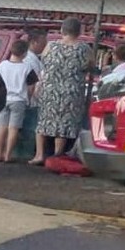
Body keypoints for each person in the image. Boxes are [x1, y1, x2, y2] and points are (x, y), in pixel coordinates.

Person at [29, 18, 94, 165]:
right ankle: (56, 155)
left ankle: (39, 155)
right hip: (71, 91)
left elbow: (44, 61)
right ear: (79, 32)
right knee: (64, 124)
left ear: (62, 30)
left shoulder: (51, 46)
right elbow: (90, 66)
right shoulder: (84, 48)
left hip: (50, 89)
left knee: (44, 121)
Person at [0, 40, 39, 163]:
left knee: (1, 126)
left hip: (3, 98)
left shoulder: (2, 65)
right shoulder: (27, 67)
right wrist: (28, 99)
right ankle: (8, 155)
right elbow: (31, 86)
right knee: (13, 128)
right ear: (24, 53)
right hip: (19, 100)